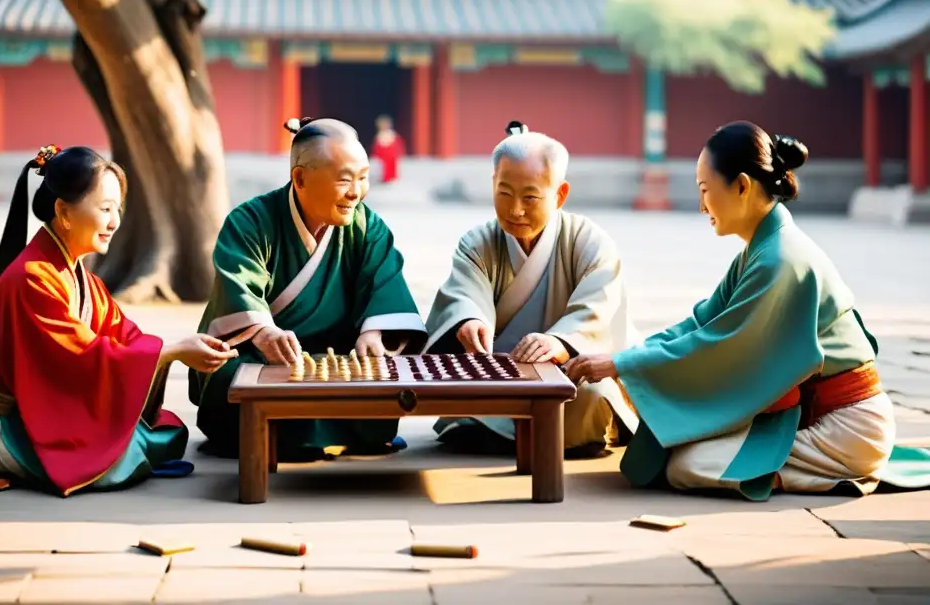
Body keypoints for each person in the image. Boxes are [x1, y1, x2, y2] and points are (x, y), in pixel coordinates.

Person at [567, 121, 930, 499]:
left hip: (845, 427)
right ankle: (774, 464)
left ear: (741, 186)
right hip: (810, 418)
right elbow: (700, 324)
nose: (701, 205)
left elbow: (721, 347)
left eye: (706, 191)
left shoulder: (779, 258)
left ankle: (821, 472)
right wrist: (625, 359)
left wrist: (624, 366)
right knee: (679, 450)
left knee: (687, 464)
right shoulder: (762, 250)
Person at [0, 145, 237, 496]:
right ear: (63, 211)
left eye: (118, 209)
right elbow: (79, 355)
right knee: (126, 453)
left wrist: (181, 347)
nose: (115, 222)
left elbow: (124, 335)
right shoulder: (32, 278)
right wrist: (170, 352)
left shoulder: (78, 276)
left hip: (39, 411)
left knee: (164, 429)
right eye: (106, 209)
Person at [190, 117, 427, 460]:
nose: (356, 192)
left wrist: (375, 333)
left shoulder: (366, 225)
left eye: (363, 178)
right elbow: (237, 289)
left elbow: (385, 284)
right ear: (299, 178)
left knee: (380, 380)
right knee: (231, 380)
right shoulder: (251, 222)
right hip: (261, 358)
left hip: (338, 360)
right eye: (345, 180)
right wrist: (263, 333)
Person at [423, 121, 640, 456]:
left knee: (591, 399)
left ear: (560, 194)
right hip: (497, 373)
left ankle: (514, 437)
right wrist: (470, 322)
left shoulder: (589, 242)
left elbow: (598, 309)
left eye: (531, 197)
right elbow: (464, 295)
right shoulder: (478, 243)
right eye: (504, 194)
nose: (515, 210)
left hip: (569, 373)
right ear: (493, 183)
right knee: (466, 395)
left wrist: (559, 341)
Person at [371, 114, 405, 183]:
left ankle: (392, 178)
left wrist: (399, 153)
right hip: (382, 157)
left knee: (392, 168)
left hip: (391, 156)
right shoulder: (379, 135)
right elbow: (376, 147)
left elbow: (398, 145)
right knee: (382, 169)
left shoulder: (393, 134)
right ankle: (384, 179)